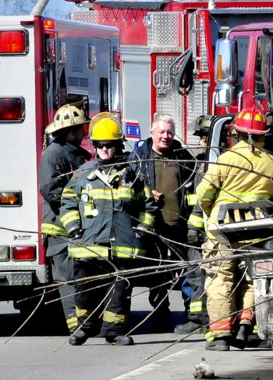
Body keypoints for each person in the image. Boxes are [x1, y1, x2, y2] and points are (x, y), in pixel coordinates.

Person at [196, 107, 273, 352]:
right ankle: (245, 326)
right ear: (262, 135)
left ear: (235, 133)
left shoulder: (225, 160)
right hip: (258, 233)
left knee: (220, 279)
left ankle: (221, 336)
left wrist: (211, 212)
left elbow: (203, 195)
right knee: (252, 279)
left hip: (223, 233)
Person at [61, 116, 159, 346]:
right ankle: (84, 329)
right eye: (100, 145)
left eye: (109, 145)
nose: (104, 149)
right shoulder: (83, 174)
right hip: (88, 244)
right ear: (94, 147)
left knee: (119, 291)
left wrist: (143, 227)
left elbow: (148, 204)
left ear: (118, 145)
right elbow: (67, 202)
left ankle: (114, 332)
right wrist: (74, 228)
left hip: (121, 244)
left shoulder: (131, 174)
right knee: (85, 290)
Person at [129, 115, 196, 331]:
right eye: (162, 132)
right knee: (157, 273)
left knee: (188, 272)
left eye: (169, 132)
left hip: (179, 226)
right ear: (152, 133)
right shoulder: (139, 157)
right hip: (152, 227)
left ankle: (192, 314)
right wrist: (146, 194)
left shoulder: (183, 157)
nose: (166, 136)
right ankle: (160, 314)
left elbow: (193, 189)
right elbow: (128, 188)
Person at [38, 103, 91, 334]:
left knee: (81, 277)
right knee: (67, 279)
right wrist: (78, 201)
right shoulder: (54, 154)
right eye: (81, 128)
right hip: (60, 231)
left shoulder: (77, 153)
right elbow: (50, 190)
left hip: (79, 228)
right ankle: (75, 326)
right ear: (71, 131)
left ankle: (86, 322)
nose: (84, 132)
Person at [174, 115, 213, 335]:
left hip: (203, 230)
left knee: (201, 275)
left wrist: (193, 228)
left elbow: (200, 202)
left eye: (203, 138)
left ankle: (202, 319)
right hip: (197, 228)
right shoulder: (198, 163)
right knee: (195, 274)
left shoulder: (212, 165)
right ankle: (198, 317)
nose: (200, 143)